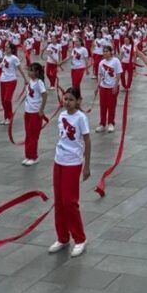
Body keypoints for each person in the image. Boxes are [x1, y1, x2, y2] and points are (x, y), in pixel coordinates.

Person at [49, 87, 91, 257]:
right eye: (65, 99)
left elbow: (87, 141)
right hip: (58, 160)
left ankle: (80, 238)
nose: (67, 102)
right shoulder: (61, 116)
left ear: (78, 101)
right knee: (59, 202)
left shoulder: (81, 118)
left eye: (71, 99)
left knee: (70, 202)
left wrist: (86, 166)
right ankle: (62, 237)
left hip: (73, 163)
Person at [18, 62, 49, 166]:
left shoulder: (39, 83)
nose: (29, 72)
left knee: (33, 136)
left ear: (37, 72)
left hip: (35, 113)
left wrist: (41, 109)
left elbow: (45, 95)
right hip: (27, 112)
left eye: (31, 70)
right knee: (28, 134)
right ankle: (28, 155)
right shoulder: (31, 82)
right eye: (29, 69)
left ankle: (34, 157)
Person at [95, 44, 123, 132]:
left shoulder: (116, 61)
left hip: (112, 87)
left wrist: (115, 86)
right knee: (102, 106)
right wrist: (97, 86)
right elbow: (100, 75)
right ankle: (102, 124)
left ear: (111, 52)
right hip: (103, 87)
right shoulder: (101, 63)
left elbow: (118, 74)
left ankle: (111, 123)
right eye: (104, 51)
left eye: (107, 51)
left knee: (111, 106)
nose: (105, 53)